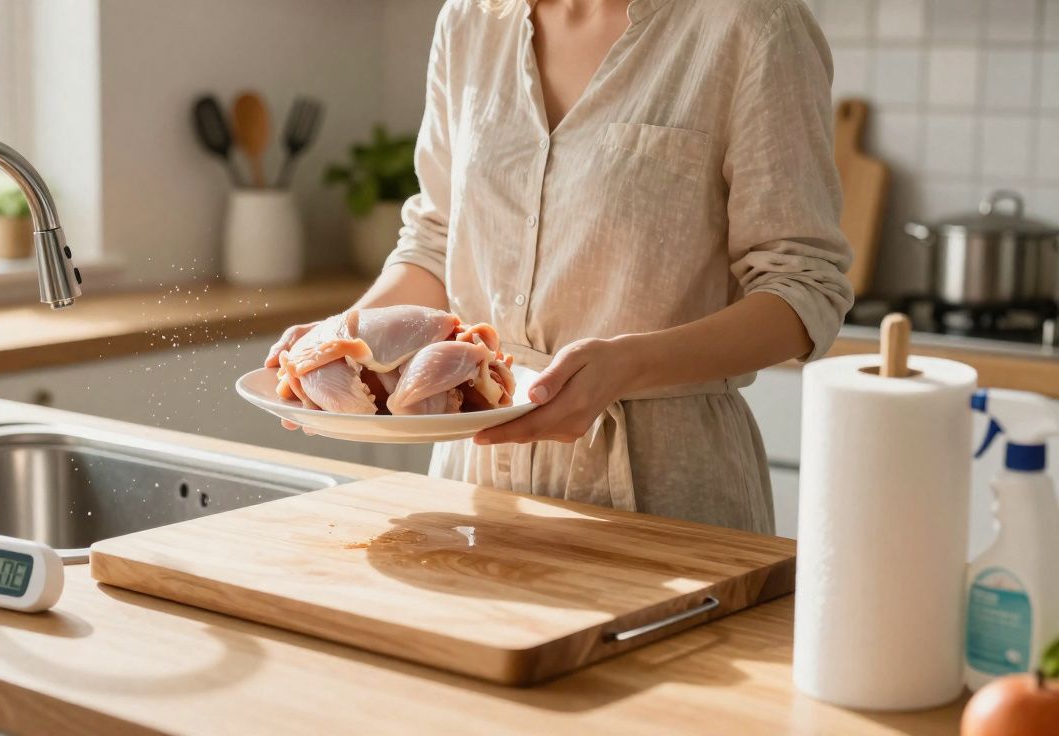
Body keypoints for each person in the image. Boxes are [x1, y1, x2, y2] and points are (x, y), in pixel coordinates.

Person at [267, 0, 851, 534]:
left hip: (665, 490)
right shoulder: (470, 21)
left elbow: (804, 288)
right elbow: (437, 242)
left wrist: (628, 365)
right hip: (473, 477)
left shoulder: (750, 25)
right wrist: (340, 338)